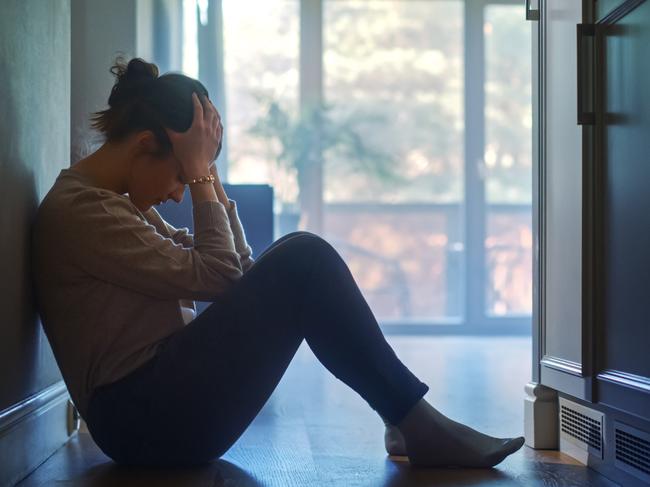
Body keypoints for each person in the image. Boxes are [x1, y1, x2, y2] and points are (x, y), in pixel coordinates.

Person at [31, 57, 525, 468]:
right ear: (144, 145)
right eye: (182, 175)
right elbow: (221, 274)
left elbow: (237, 275)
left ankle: (408, 421)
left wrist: (209, 176)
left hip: (158, 408)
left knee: (300, 255)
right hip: (144, 423)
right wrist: (202, 176)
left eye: (190, 179)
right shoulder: (84, 211)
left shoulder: (113, 205)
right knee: (304, 256)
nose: (178, 193)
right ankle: (414, 422)